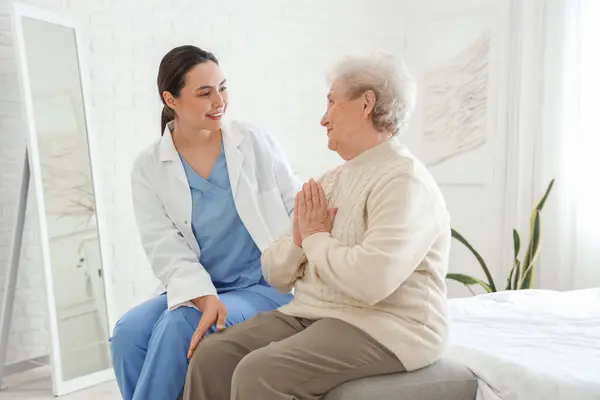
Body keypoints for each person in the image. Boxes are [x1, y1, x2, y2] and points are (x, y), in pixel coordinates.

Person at [183, 51, 452, 400]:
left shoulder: (405, 181)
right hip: (314, 313)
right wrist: (300, 242)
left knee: (260, 372)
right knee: (213, 356)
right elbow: (276, 273)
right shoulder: (330, 180)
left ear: (366, 103)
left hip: (387, 325)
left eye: (332, 102)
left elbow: (371, 282)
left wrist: (314, 239)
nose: (323, 119)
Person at [109, 45, 299, 400]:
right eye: (205, 92)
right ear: (171, 99)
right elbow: (164, 247)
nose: (219, 101)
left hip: (262, 287)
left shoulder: (255, 144)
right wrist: (203, 295)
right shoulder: (149, 167)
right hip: (198, 285)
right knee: (128, 333)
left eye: (222, 87)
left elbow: (296, 211)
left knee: (179, 324)